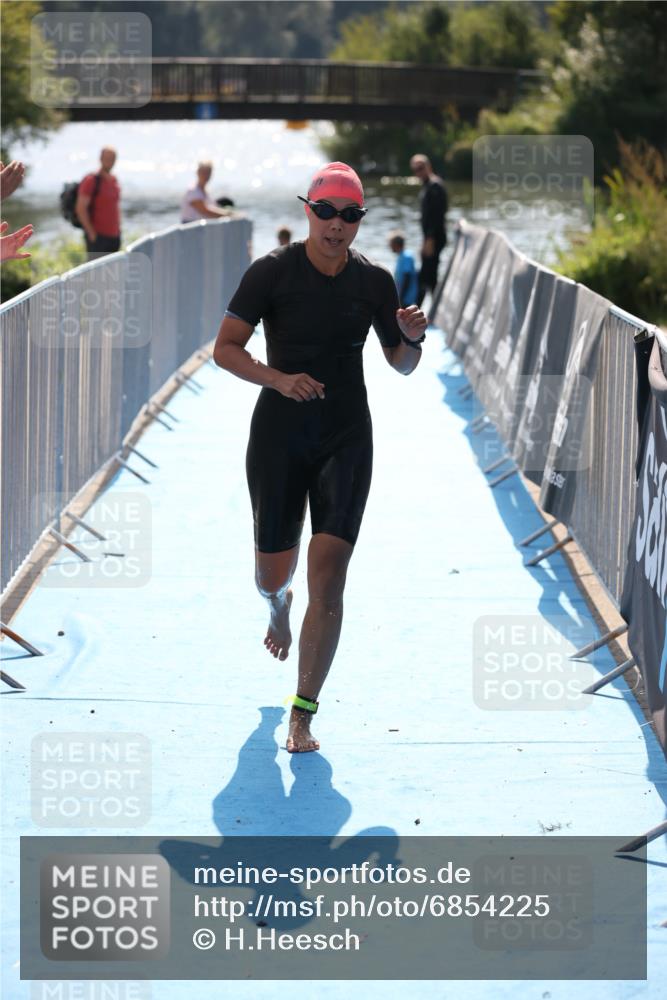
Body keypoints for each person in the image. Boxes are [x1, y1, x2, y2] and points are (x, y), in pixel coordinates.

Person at [213, 161, 427, 754]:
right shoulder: (270, 274)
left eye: (350, 214)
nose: (337, 225)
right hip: (279, 436)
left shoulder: (375, 283)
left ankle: (302, 712)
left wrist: (410, 338)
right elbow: (224, 350)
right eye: (327, 211)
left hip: (346, 436)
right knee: (272, 573)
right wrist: (277, 379)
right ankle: (276, 606)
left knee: (329, 579)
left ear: (361, 219)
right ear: (308, 210)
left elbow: (402, 365)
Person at [409, 153, 448, 307]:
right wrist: (425, 240)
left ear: (428, 166)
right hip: (429, 238)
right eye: (415, 169)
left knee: (425, 276)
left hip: (435, 238)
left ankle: (415, 310)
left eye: (421, 168)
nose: (418, 172)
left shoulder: (435, 186)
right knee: (430, 276)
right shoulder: (427, 186)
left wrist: (430, 240)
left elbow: (437, 216)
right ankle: (435, 309)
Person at [76, 146, 121, 259]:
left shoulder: (114, 180)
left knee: (112, 274)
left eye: (113, 158)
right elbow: (80, 208)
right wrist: (92, 234)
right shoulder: (91, 180)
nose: (110, 161)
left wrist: (119, 230)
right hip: (98, 238)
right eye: (107, 158)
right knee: (96, 275)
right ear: (100, 159)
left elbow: (115, 207)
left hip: (114, 237)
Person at [389, 230, 419, 307]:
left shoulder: (406, 256)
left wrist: (401, 297)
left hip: (407, 297)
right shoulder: (401, 256)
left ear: (396, 244)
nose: (389, 246)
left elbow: (407, 277)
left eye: (391, 243)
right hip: (402, 296)